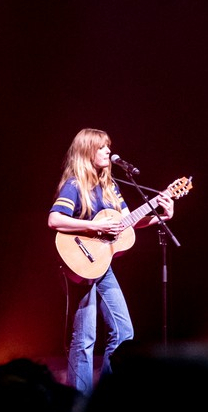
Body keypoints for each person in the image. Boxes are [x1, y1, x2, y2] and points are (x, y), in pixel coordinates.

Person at [48, 128, 174, 394]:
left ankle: (106, 395)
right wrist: (95, 228)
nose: (108, 151)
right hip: (79, 263)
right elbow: (55, 220)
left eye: (108, 146)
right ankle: (78, 402)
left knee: (123, 332)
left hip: (103, 266)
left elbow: (127, 224)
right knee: (84, 338)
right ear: (87, 151)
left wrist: (162, 215)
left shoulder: (111, 187)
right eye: (102, 147)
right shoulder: (74, 184)